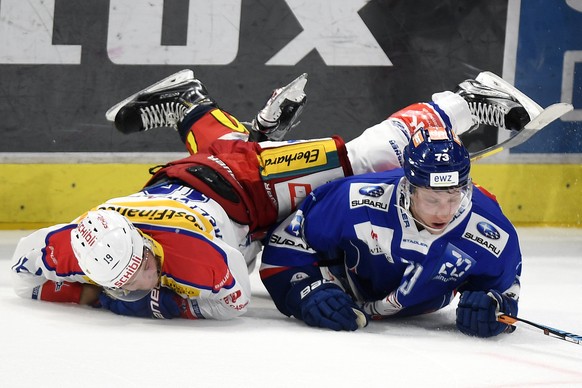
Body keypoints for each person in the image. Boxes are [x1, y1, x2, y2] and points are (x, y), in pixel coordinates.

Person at [10, 69, 532, 323]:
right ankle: (190, 101)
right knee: (229, 149)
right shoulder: (74, 240)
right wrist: (89, 287)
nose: (140, 278)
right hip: (195, 175)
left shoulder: (198, 255)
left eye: (141, 265)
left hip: (255, 188)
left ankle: (466, 100)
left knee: (363, 160)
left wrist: (109, 300)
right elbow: (22, 267)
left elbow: (230, 300)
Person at [258, 74, 540, 337]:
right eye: (432, 199)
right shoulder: (356, 199)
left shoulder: (491, 229)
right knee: (367, 155)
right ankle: (463, 103)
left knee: (371, 152)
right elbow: (286, 245)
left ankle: (463, 104)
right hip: (302, 238)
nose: (444, 211)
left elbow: (504, 292)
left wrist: (492, 307)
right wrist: (305, 289)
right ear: (408, 188)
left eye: (453, 197)